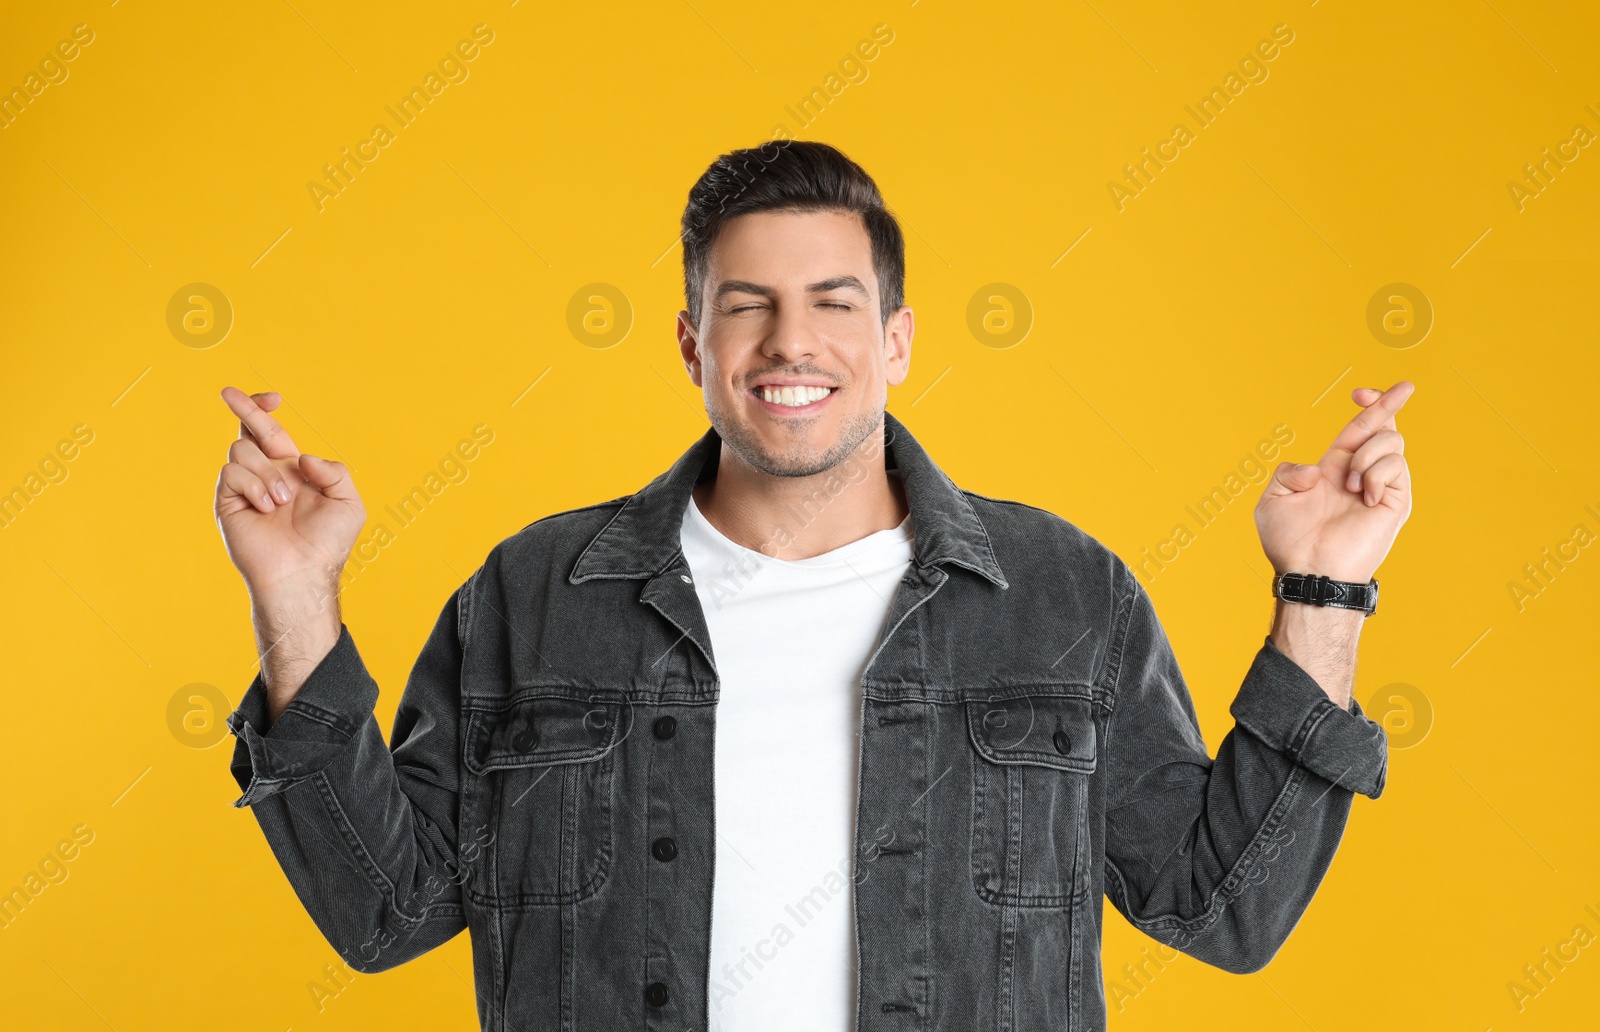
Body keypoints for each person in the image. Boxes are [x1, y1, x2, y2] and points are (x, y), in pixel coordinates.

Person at [214, 140, 1413, 1031]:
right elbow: (389, 912)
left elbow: (1219, 913)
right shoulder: (536, 594)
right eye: (747, 307)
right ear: (694, 345)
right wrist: (296, 599)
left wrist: (1322, 591)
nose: (791, 343)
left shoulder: (1061, 597)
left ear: (893, 340)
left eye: (833, 304)